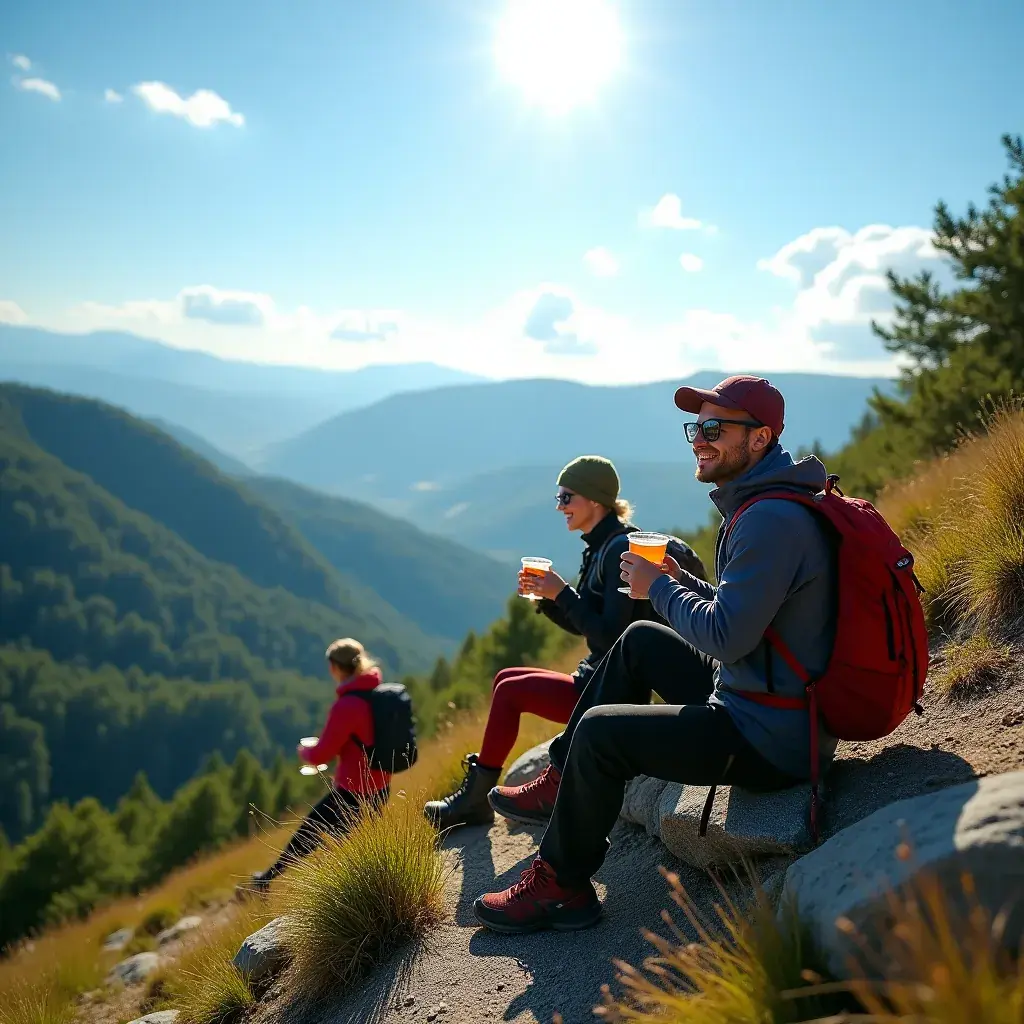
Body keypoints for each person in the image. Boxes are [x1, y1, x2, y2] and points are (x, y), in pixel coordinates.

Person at [474, 375, 841, 933]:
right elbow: (748, 618)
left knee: (601, 731)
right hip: (762, 698)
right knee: (639, 640)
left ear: (761, 437)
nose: (699, 438)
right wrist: (679, 586)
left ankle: (561, 886)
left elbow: (727, 638)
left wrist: (662, 590)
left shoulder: (768, 520)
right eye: (696, 427)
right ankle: (559, 782)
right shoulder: (765, 506)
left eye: (715, 428)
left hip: (769, 738)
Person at [424, 455, 705, 832]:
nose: (560, 507)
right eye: (559, 498)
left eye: (566, 497)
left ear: (595, 499)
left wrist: (563, 593)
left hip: (607, 686)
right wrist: (549, 597)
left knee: (511, 692)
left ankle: (475, 801)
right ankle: (478, 793)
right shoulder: (602, 545)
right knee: (505, 678)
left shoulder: (621, 549)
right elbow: (589, 623)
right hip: (598, 674)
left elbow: (612, 637)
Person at [247, 638, 391, 893]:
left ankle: (267, 880)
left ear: (334, 668)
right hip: (381, 785)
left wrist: (305, 751)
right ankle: (268, 878)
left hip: (352, 791)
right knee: (354, 842)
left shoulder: (347, 705)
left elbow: (321, 755)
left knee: (311, 831)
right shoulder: (379, 694)